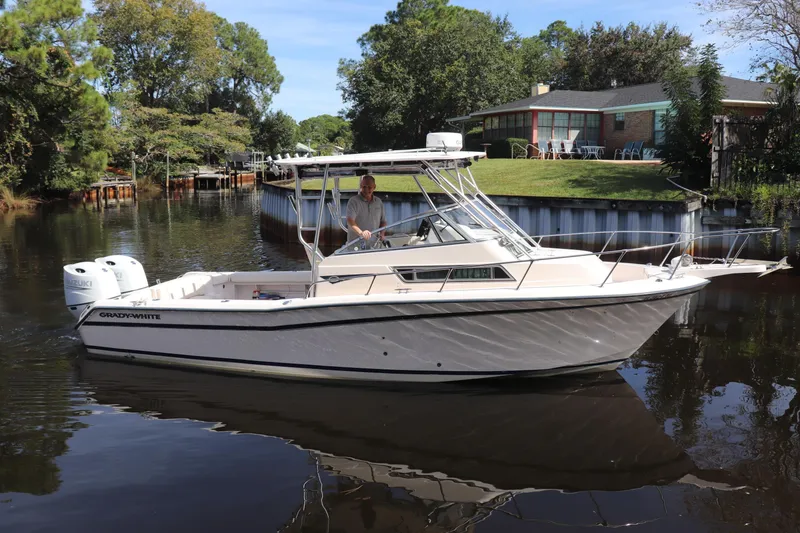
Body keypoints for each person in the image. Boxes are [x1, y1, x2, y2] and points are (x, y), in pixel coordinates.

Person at [346, 175, 386, 244]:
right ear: (361, 186)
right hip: (356, 245)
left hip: (375, 245)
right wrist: (361, 233)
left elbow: (383, 222)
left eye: (369, 187)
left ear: (374, 187)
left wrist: (382, 234)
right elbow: (350, 221)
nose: (366, 190)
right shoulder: (353, 201)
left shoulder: (379, 202)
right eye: (364, 187)